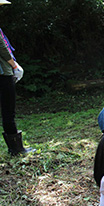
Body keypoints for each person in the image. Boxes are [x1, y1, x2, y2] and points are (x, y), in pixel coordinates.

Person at [0, 0, 35, 155]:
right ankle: (16, 149)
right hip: (3, 73)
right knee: (8, 110)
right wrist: (15, 66)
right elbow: (3, 48)